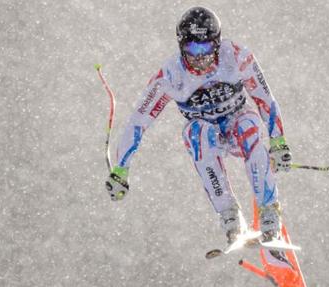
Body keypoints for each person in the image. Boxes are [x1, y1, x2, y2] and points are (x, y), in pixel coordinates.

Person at [105, 6, 292, 244]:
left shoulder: (236, 57)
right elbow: (138, 122)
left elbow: (265, 99)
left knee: (247, 125)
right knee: (196, 132)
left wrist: (279, 141)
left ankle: (269, 212)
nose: (200, 57)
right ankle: (229, 215)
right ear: (182, 46)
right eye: (193, 48)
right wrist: (121, 169)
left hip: (237, 125)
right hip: (207, 133)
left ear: (217, 43)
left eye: (205, 47)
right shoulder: (171, 76)